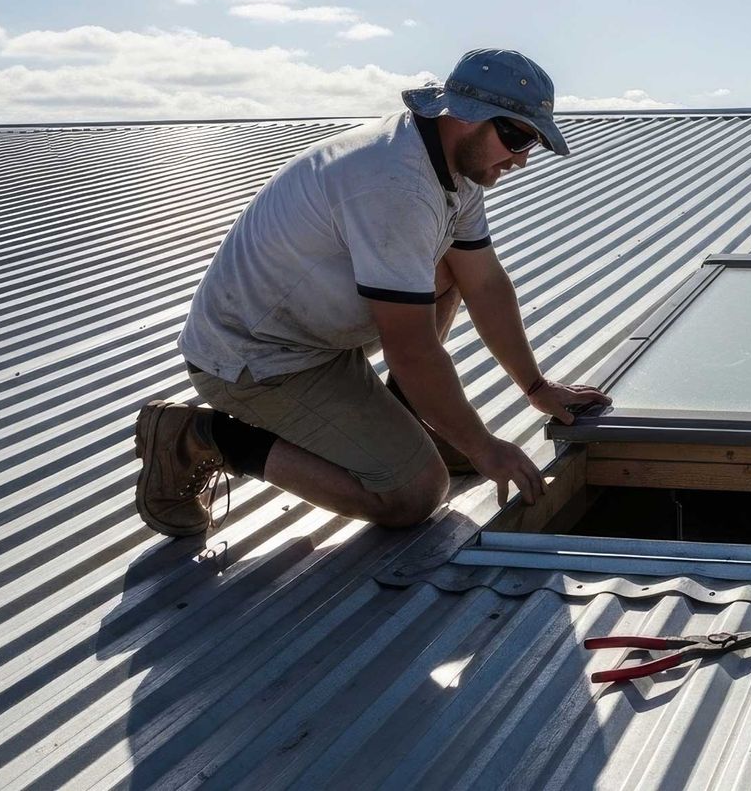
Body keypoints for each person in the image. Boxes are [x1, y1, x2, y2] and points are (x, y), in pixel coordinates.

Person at [133, 48, 610, 536]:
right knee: (413, 494)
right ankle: (197, 436)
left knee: (454, 266)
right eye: (516, 137)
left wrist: (534, 386)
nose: (522, 159)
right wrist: (481, 446)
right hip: (256, 360)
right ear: (463, 117)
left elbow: (484, 282)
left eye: (533, 143)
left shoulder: (451, 165)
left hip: (312, 335)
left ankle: (411, 419)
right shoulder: (395, 184)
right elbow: (413, 351)